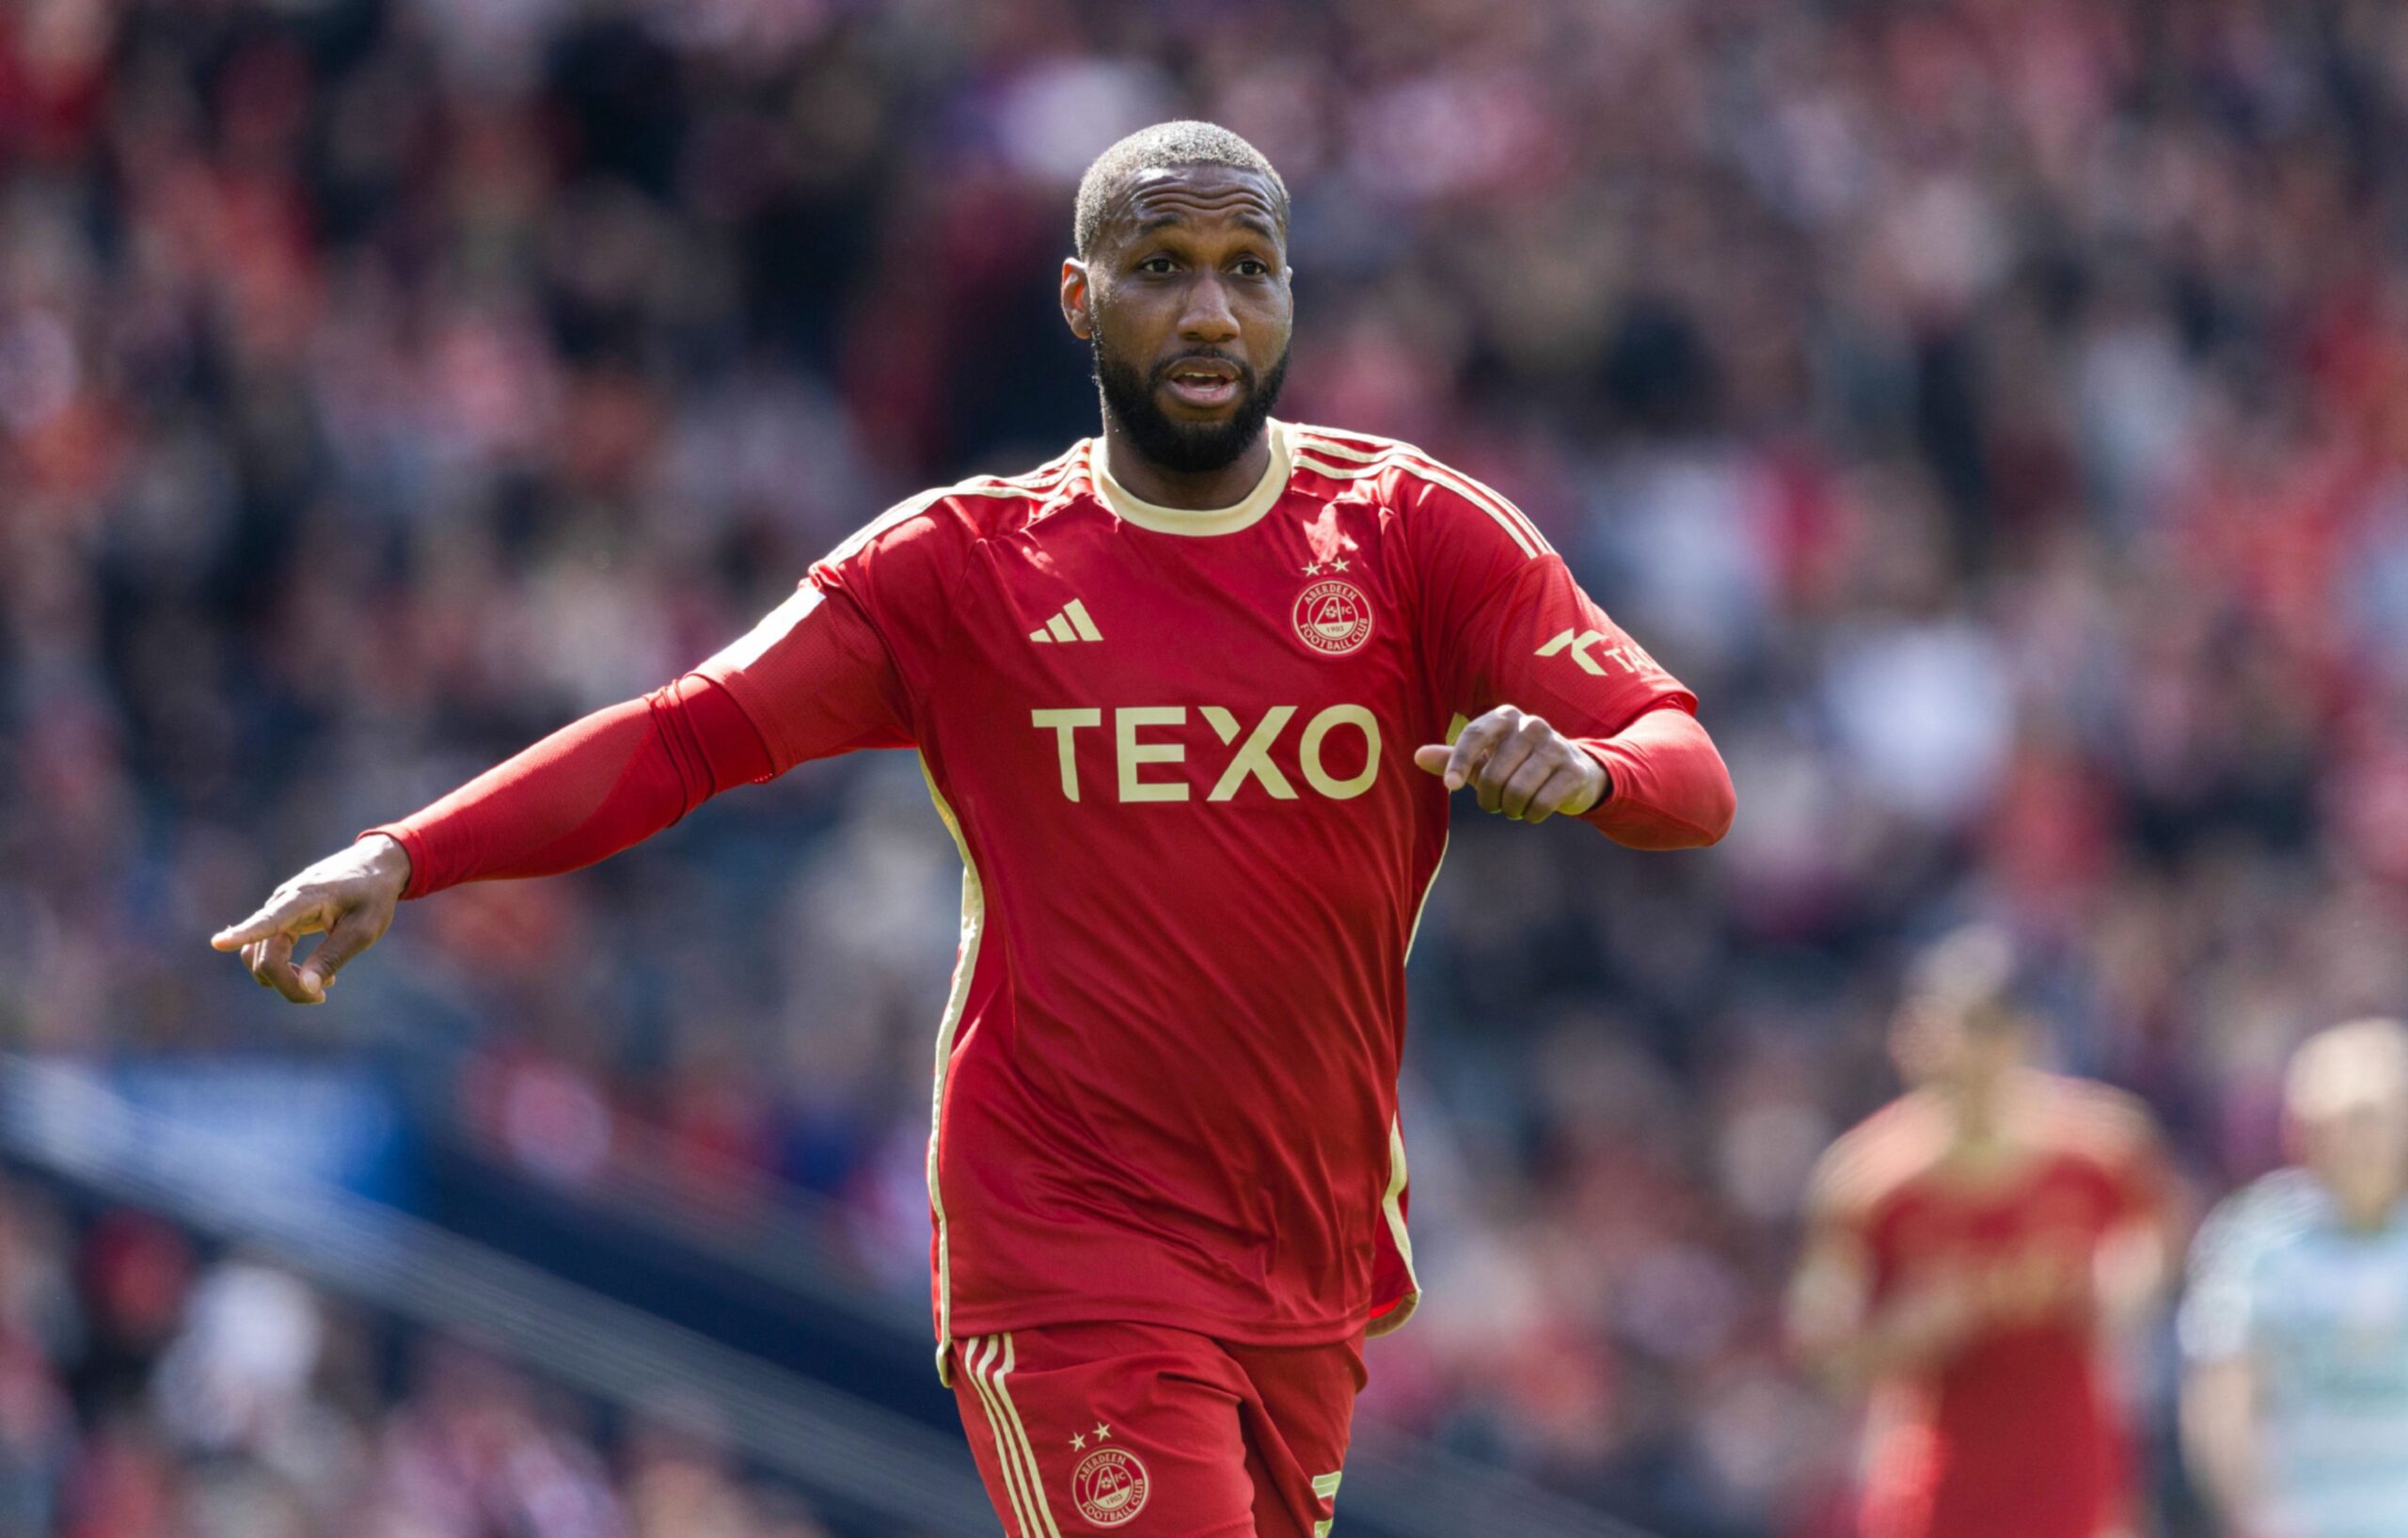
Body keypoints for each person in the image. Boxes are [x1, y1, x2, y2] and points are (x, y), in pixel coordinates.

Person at [210, 121, 1734, 1538]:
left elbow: (1691, 770)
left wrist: (1591, 774)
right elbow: (686, 736)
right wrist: (405, 853)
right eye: (1160, 269)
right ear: (1079, 299)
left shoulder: (1411, 536)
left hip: (1307, 1254)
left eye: (1246, 271)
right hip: (1064, 1245)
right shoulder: (966, 568)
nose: (1208, 312)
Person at [1786, 928, 2178, 1538]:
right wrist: (1903, 1334)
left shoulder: (2103, 1148)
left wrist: (2124, 1287)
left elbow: (2156, 1239)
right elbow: (1824, 1353)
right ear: (1910, 1040)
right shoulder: (1867, 1182)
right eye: (1950, 1034)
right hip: (1933, 1480)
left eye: (1986, 1032)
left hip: (2071, 1465)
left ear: (2025, 1037)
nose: (1967, 1057)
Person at [2179, 1018, 2408, 1538]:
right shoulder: (2256, 1240)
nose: (2361, 1143)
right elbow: (2223, 1394)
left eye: (2377, 1121)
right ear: (2303, 1130)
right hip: (2306, 1518)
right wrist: (2254, 1515)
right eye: (2342, 1122)